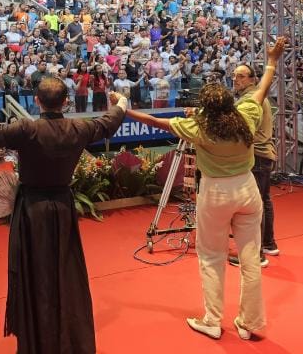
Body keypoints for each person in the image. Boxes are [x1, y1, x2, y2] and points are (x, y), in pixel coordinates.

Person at [0, 77, 128, 354]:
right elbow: (110, 122)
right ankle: (69, 336)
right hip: (63, 209)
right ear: (66, 102)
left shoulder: (28, 129)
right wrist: (122, 102)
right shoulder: (79, 127)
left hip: (32, 211)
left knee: (34, 274)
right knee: (67, 273)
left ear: (37, 101)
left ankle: (37, 338)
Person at [122, 38, 285, 340]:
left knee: (211, 256)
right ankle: (250, 323)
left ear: (204, 107)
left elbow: (154, 121)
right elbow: (263, 86)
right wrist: (272, 60)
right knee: (250, 258)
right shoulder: (248, 114)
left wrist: (125, 111)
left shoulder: (198, 127)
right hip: (247, 189)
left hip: (215, 193)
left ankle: (212, 319)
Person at [228, 64, 279, 266]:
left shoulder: (250, 100)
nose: (235, 79)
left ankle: (256, 254)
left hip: (256, 155)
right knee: (264, 201)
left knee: (253, 207)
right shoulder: (256, 97)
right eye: (234, 76)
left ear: (252, 79)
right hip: (264, 154)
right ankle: (268, 243)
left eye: (240, 76)